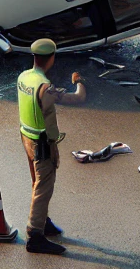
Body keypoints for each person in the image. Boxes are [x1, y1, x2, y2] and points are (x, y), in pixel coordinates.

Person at [18, 39, 87, 255]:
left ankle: (43, 221)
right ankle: (35, 236)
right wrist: (79, 81)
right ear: (52, 58)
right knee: (43, 186)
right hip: (42, 143)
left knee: (37, 182)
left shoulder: (24, 77)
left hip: (26, 136)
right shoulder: (45, 88)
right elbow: (78, 98)